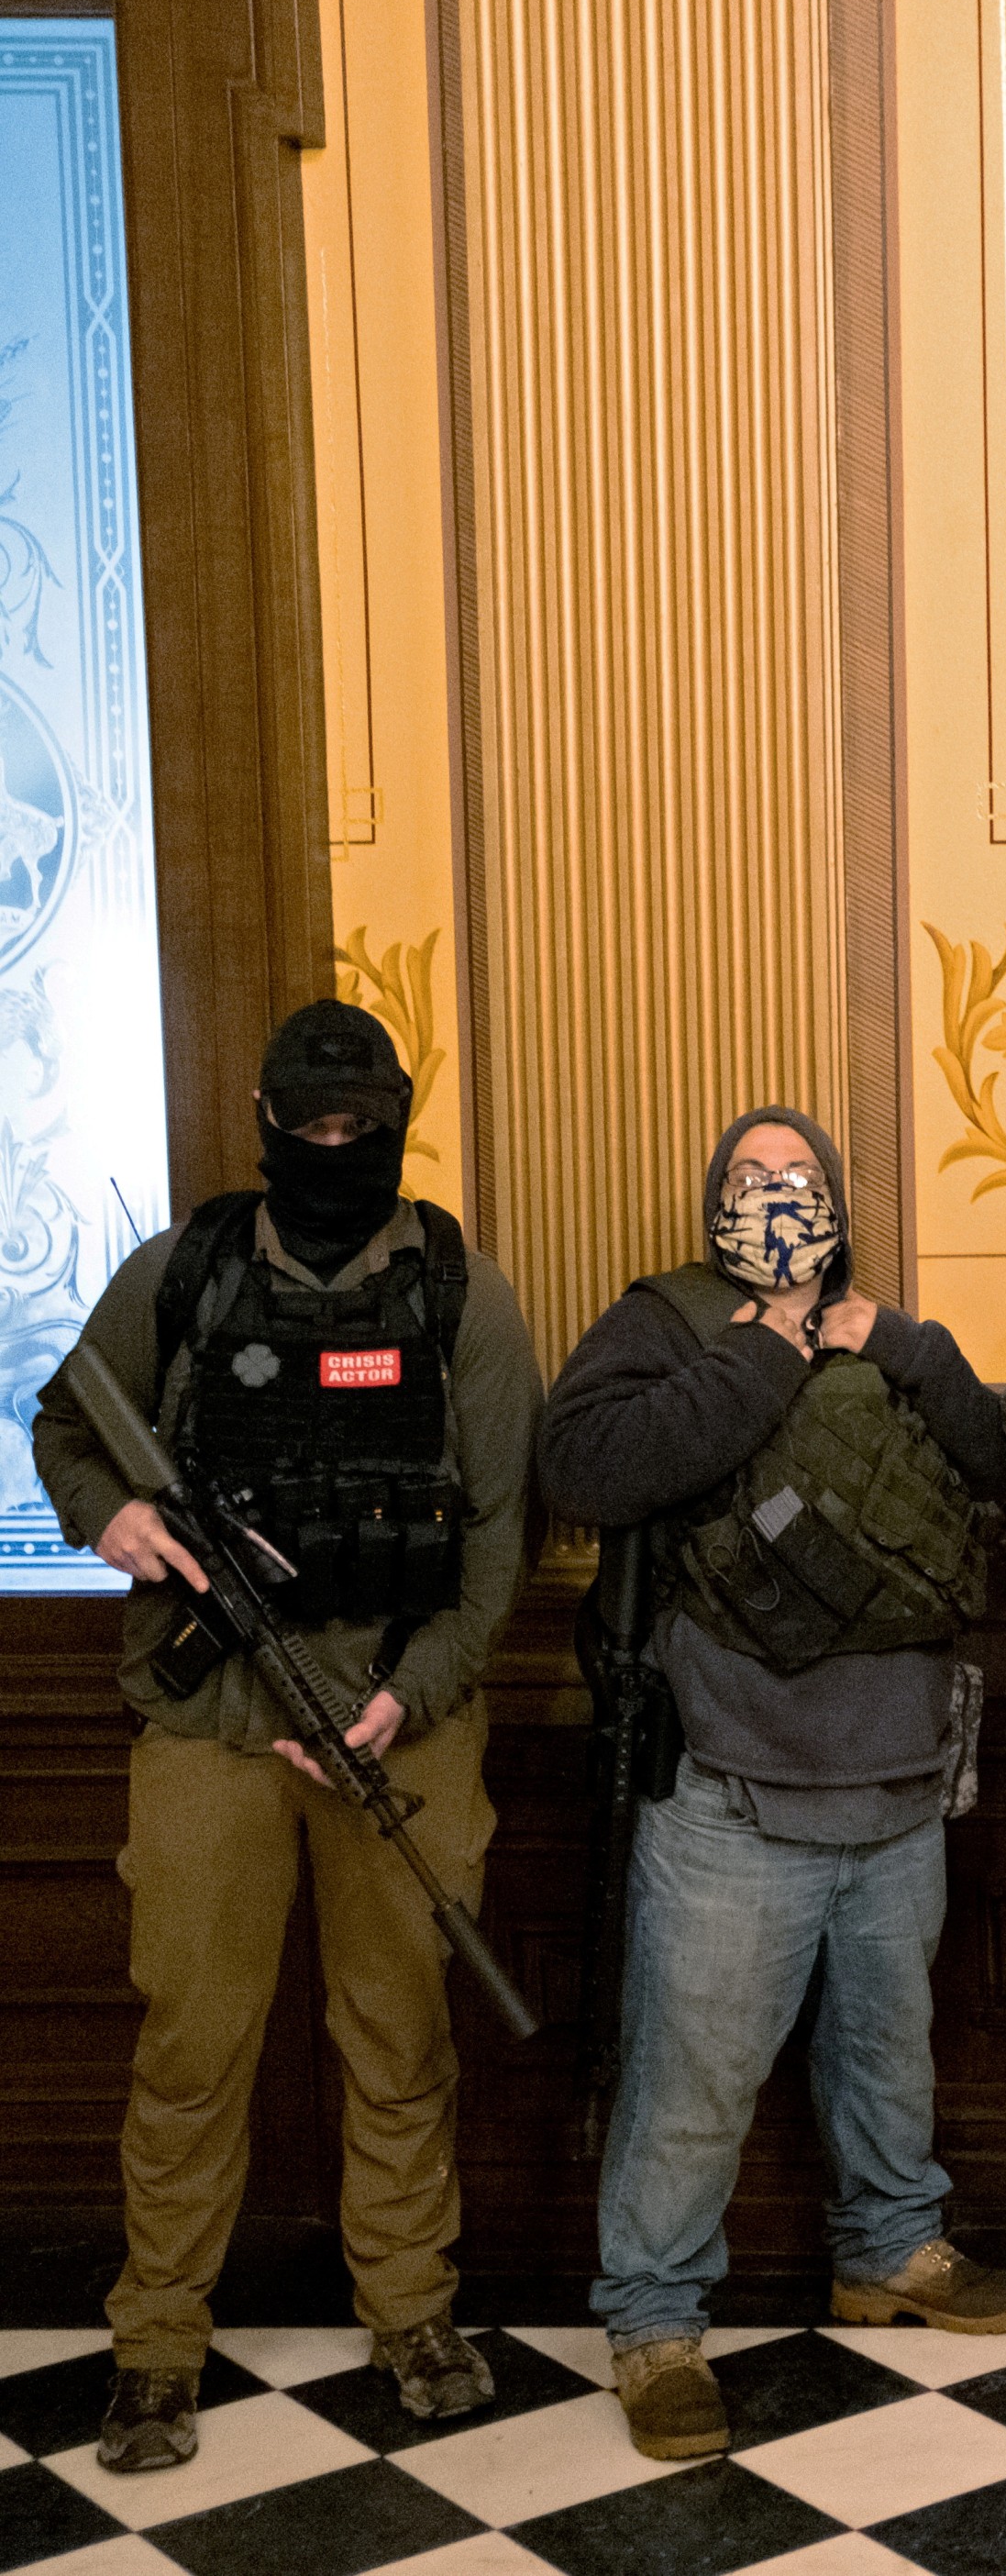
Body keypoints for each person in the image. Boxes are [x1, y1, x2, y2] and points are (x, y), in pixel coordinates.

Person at [34, 1001, 542, 2472]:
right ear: (267, 1126)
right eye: (309, 1129)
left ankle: (414, 2314)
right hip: (209, 1727)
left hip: (401, 1722)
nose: (335, 1150)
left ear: (392, 1118)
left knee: (399, 2036)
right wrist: (106, 1511)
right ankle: (157, 2347)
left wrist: (412, 1692)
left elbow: (502, 1528)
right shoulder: (186, 1267)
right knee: (194, 2045)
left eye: (358, 1127)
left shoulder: (455, 1286)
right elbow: (69, 1418)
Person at [538, 1107, 1006, 2460]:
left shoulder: (891, 1329)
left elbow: (1003, 1465)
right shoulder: (668, 1318)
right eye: (751, 1177)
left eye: (799, 1176)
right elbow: (582, 1465)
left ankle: (891, 2249)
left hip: (898, 1768)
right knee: (692, 2071)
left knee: (889, 2046)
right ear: (713, 1199)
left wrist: (915, 1351)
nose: (776, 1195)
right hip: (731, 1782)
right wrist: (763, 1347)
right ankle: (653, 2320)